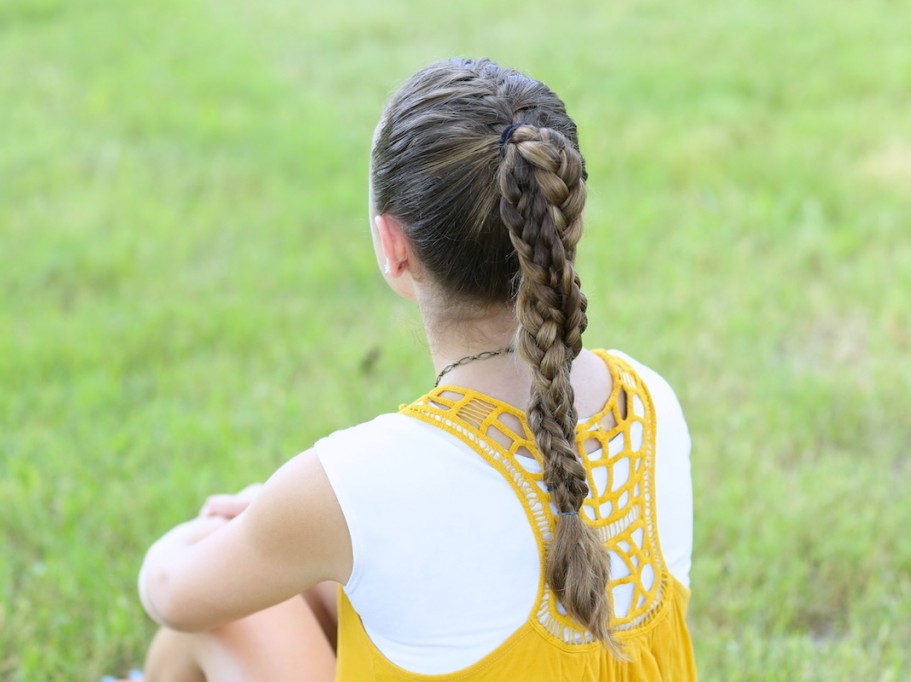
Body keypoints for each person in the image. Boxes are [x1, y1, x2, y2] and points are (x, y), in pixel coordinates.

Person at [118, 57, 696, 681]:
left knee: (232, 616)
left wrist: (187, 542)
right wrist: (279, 518)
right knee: (309, 582)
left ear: (394, 248)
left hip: (284, 541)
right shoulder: (650, 399)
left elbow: (177, 595)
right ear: (567, 220)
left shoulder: (356, 482)